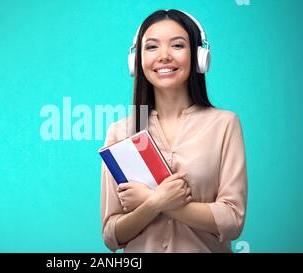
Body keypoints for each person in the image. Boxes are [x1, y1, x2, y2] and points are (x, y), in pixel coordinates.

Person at [100, 9, 247, 252]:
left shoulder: (224, 125)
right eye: (152, 47)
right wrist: (156, 202)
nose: (164, 56)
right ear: (136, 61)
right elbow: (112, 235)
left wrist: (150, 199)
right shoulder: (120, 132)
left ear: (199, 57)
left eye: (177, 45)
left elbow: (232, 221)